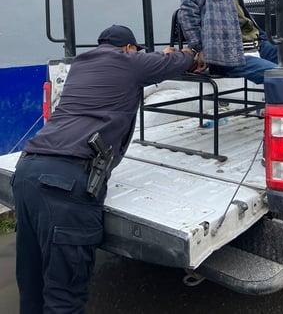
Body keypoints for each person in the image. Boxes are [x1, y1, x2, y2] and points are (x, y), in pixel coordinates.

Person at [11, 24, 195, 314]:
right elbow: (177, 62)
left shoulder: (81, 64)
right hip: (66, 183)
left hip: (27, 171)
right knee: (64, 298)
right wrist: (187, 52)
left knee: (32, 286)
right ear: (129, 49)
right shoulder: (128, 61)